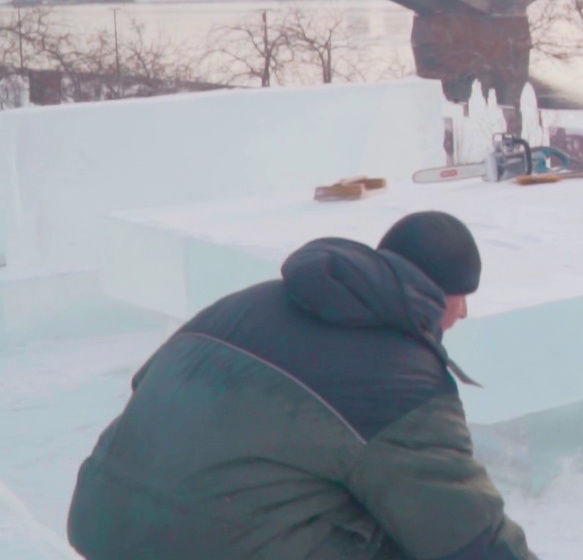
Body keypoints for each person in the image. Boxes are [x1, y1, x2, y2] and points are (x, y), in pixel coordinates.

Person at [67, 211, 537, 559]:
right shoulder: (402, 379)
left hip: (103, 519)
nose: (464, 314)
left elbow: (145, 388)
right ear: (439, 293)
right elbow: (465, 531)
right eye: (464, 298)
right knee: (407, 537)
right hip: (201, 544)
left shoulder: (244, 304)